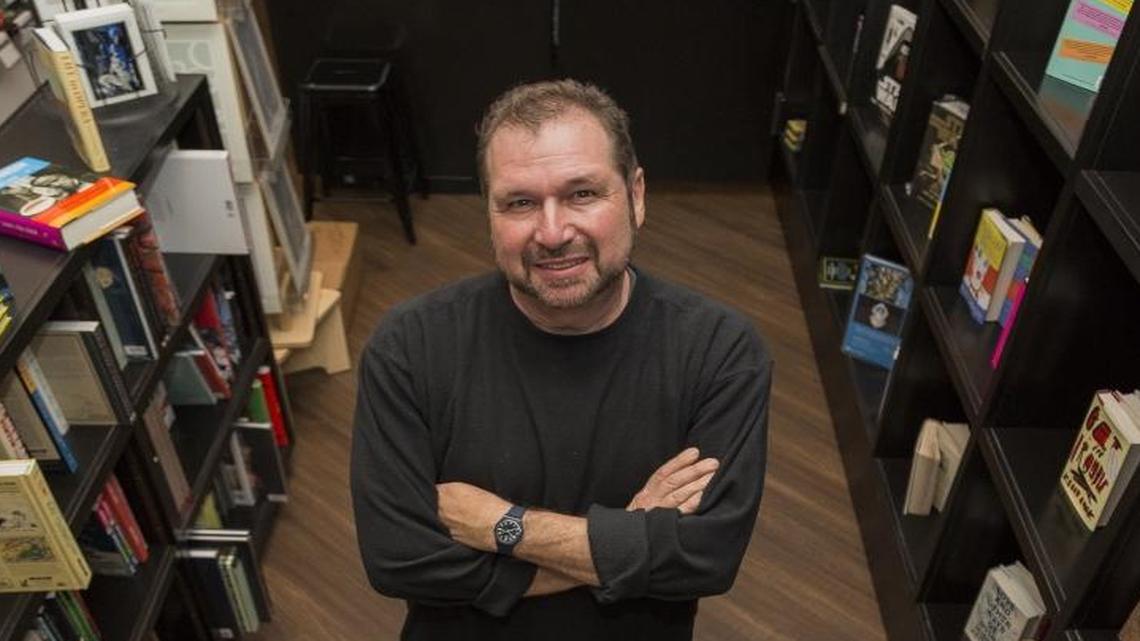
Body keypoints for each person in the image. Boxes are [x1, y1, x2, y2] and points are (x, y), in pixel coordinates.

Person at [350, 79, 772, 641]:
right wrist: (630, 538)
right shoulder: (409, 346)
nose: (552, 233)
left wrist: (503, 526)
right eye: (520, 203)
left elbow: (706, 559)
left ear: (636, 195)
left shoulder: (721, 352)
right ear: (490, 214)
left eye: (582, 194)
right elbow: (399, 560)